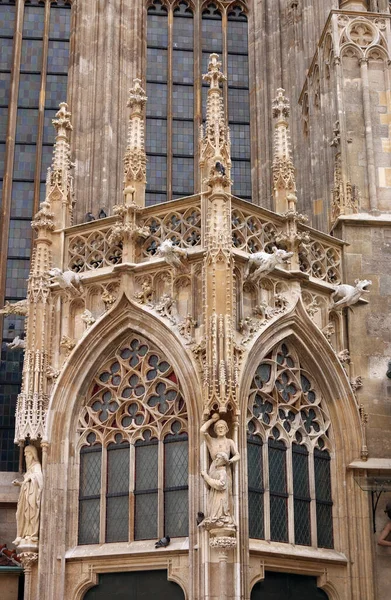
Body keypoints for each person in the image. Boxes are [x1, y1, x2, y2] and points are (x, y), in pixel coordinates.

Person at [12, 445, 43, 547]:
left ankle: (32, 534)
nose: (25, 456)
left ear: (32, 454)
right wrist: (19, 483)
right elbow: (26, 482)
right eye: (24, 454)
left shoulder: (37, 466)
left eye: (27, 453)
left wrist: (30, 478)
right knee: (21, 513)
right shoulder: (30, 468)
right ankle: (23, 534)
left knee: (31, 513)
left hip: (32, 496)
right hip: (26, 495)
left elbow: (40, 479)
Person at [201, 452, 233, 526]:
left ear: (223, 461)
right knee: (214, 518)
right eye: (216, 458)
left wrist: (207, 477)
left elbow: (221, 485)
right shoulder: (215, 472)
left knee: (218, 517)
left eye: (219, 458)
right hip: (213, 498)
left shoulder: (223, 472)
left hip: (220, 498)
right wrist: (205, 479)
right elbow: (209, 486)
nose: (216, 460)